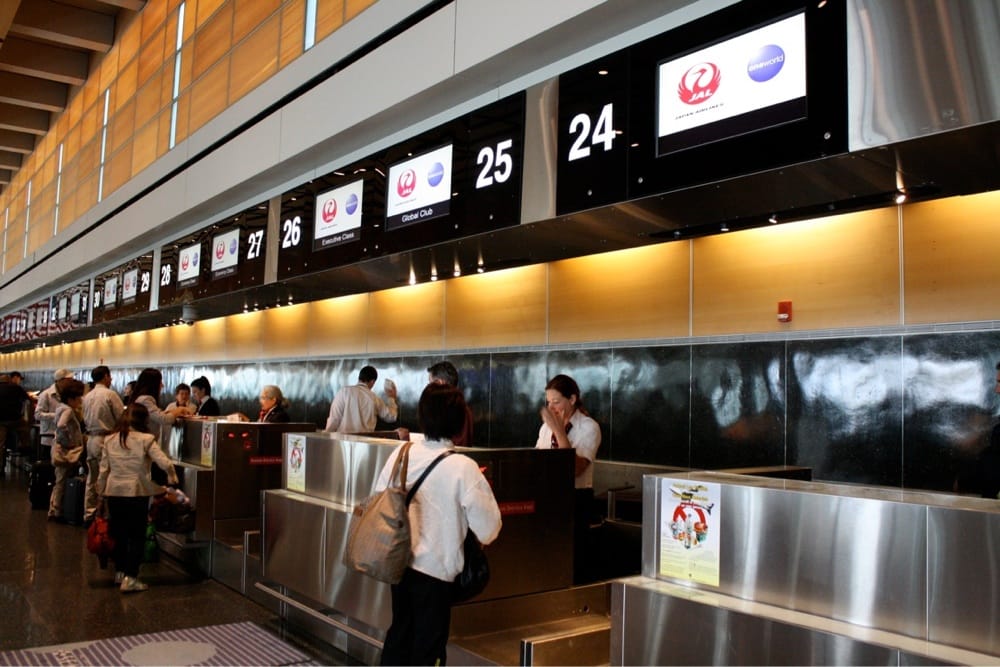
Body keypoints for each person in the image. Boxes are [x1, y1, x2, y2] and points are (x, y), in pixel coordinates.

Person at [376, 384, 501, 666]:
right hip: (435, 573)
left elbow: (378, 499)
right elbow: (489, 528)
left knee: (399, 634)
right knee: (428, 647)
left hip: (399, 564)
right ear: (459, 422)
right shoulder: (463, 467)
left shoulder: (402, 454)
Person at [97, 403, 179, 593]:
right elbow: (164, 462)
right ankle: (131, 577)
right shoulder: (146, 439)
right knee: (136, 535)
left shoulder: (109, 439)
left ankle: (119, 572)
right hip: (135, 492)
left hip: (114, 491)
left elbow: (103, 470)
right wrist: (172, 478)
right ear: (144, 420)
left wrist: (101, 493)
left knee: (118, 533)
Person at [535, 374, 602, 583]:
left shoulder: (589, 427)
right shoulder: (546, 428)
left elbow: (574, 469)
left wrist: (559, 432)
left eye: (557, 402)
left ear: (572, 399)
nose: (552, 407)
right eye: (548, 402)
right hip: (549, 496)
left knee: (575, 557)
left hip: (576, 498)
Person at [81, 366, 125, 524]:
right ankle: (103, 516)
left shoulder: (87, 396)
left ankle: (89, 514)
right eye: (110, 376)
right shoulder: (110, 395)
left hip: (91, 439)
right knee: (106, 478)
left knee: (92, 478)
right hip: (106, 440)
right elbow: (122, 417)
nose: (111, 379)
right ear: (106, 376)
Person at [49, 379, 86, 522]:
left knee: (59, 480)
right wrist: (69, 441)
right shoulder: (68, 410)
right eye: (78, 398)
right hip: (65, 450)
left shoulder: (60, 407)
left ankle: (54, 509)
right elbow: (61, 425)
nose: (80, 401)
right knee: (62, 480)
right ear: (71, 399)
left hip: (58, 448)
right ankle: (56, 511)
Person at [130, 369, 194, 447]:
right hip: (141, 445)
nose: (162, 385)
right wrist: (180, 409)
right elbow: (164, 419)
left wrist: (171, 412)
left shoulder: (143, 399)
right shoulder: (145, 399)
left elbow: (157, 415)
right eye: (160, 382)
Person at [325, 365, 398, 433]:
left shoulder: (344, 392)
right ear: (372, 381)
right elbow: (391, 416)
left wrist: (326, 436)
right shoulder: (375, 399)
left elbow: (334, 419)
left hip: (342, 442)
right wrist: (391, 398)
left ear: (359, 378)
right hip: (365, 444)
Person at [427, 360, 474, 447]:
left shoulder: (449, 409)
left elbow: (441, 446)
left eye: (430, 383)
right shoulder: (461, 407)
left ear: (439, 383)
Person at [0, 372, 32, 473]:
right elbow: (28, 399)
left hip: (1, 421)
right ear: (11, 379)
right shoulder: (16, 387)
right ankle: (24, 446)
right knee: (26, 427)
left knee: (0, 445)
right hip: (15, 419)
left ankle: (0, 468)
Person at [36, 369, 75, 452]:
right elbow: (38, 415)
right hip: (49, 437)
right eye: (69, 380)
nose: (71, 382)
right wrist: (58, 415)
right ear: (60, 381)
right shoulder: (46, 395)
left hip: (65, 438)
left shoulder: (68, 395)